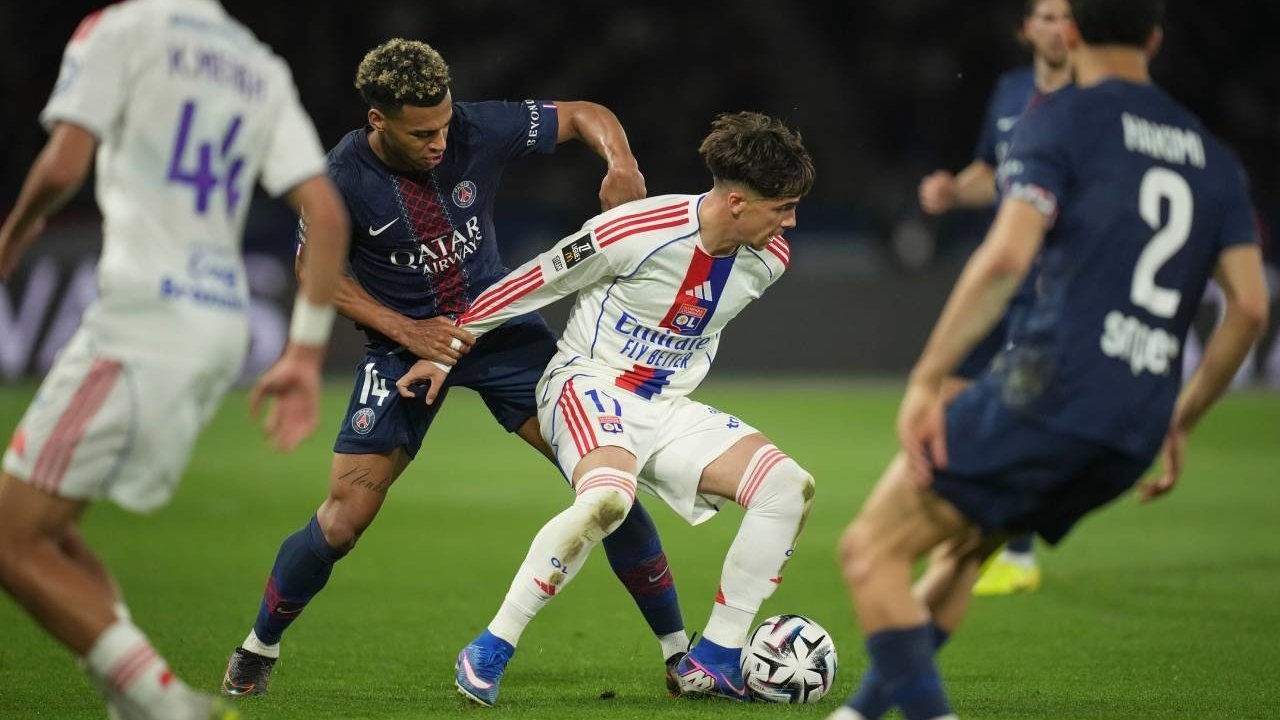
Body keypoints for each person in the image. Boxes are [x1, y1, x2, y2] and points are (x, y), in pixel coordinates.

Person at [831, 1, 1268, 718]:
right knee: (965, 550)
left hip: (1050, 392)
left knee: (869, 550)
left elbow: (1005, 257)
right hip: (1133, 427)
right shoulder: (1213, 158)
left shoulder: (1061, 116)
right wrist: (1182, 420)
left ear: (1070, 32)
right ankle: (861, 713)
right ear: (1155, 38)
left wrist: (927, 378)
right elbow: (1248, 306)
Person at [220, 38, 692, 697]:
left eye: (443, 124)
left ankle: (679, 655)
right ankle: (257, 647)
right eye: (422, 133)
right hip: (401, 350)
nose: (440, 142)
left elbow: (586, 113)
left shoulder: (475, 127)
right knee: (343, 519)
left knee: (606, 485)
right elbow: (313, 270)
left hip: (499, 330)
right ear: (378, 121)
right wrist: (406, 329)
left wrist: (621, 162)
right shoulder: (342, 178)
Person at [394, 111, 817, 706]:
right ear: (738, 202)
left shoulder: (768, 259)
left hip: (666, 407)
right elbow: (530, 283)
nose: (790, 222)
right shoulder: (635, 231)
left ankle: (716, 658)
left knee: (788, 487)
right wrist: (445, 355)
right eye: (783, 208)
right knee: (608, 501)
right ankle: (491, 645)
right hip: (587, 385)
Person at [0, 1, 350, 718]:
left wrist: (17, 229)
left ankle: (163, 704)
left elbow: (65, 161)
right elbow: (327, 213)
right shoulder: (259, 65)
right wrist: (304, 353)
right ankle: (137, 698)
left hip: (139, 320)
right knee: (49, 529)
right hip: (217, 323)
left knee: (9, 536)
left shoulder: (120, 29)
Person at [917, 0, 1073, 596]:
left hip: (1058, 281)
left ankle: (1017, 552)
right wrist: (954, 191)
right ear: (1026, 28)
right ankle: (975, 534)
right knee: (960, 401)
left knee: (1021, 408)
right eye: (1046, 17)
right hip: (1004, 279)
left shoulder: (1093, 98)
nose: (1056, 28)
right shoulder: (1011, 91)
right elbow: (993, 172)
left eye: (1066, 16)